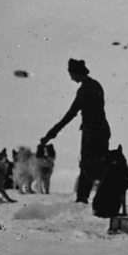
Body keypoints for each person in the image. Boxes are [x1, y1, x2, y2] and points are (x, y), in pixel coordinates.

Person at [41, 58, 111, 204]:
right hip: (101, 131)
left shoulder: (85, 89)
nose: (70, 76)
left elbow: (71, 113)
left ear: (76, 73)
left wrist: (51, 134)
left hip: (92, 132)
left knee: (86, 165)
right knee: (100, 164)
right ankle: (103, 196)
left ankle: (82, 199)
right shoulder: (95, 85)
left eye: (71, 73)